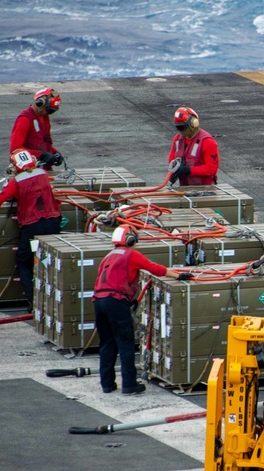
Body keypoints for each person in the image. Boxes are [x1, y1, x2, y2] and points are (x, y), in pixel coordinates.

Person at [93, 225, 187, 395]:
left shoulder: (108, 256)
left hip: (99, 301)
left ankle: (107, 384)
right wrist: (178, 275)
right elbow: (154, 268)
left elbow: (105, 281)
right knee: (125, 342)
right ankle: (129, 384)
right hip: (115, 301)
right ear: (129, 239)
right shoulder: (131, 255)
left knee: (107, 343)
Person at [0, 149, 61, 308]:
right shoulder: (43, 174)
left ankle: (33, 301)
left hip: (33, 226)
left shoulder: (17, 181)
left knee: (24, 261)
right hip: (52, 222)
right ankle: (54, 297)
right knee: (49, 259)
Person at [9, 87, 65, 171]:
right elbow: (15, 149)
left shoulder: (44, 117)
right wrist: (41, 155)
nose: (48, 113)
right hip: (28, 170)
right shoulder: (25, 119)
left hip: (43, 168)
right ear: (40, 104)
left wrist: (54, 152)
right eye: (48, 110)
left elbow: (44, 141)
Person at [167, 106, 219, 186]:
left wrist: (189, 170)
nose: (180, 131)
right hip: (185, 188)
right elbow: (171, 160)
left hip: (205, 190)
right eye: (178, 128)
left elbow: (211, 168)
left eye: (182, 127)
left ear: (193, 124)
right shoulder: (177, 140)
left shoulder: (208, 142)